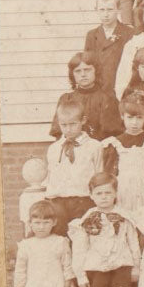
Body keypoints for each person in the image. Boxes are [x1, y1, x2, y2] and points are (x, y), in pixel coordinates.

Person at [100, 92, 144, 212]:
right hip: (124, 190)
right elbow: (109, 172)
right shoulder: (114, 143)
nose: (134, 123)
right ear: (122, 116)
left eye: (139, 118)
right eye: (130, 118)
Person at [45, 100, 104, 235]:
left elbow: (99, 174)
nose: (68, 129)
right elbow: (51, 176)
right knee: (60, 237)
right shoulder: (54, 149)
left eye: (72, 124)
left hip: (83, 201)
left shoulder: (94, 146)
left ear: (83, 121)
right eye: (63, 125)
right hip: (58, 202)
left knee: (82, 237)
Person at [49, 51, 121, 140]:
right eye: (78, 71)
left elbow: (112, 134)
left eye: (87, 70)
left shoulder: (107, 99)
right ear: (72, 75)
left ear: (96, 71)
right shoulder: (66, 99)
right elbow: (59, 134)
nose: (83, 75)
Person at [84, 0, 135, 96]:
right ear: (96, 10)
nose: (106, 14)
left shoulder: (129, 33)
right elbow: (88, 63)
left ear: (119, 10)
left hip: (122, 87)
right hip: (99, 89)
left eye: (110, 10)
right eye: (102, 10)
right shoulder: (92, 35)